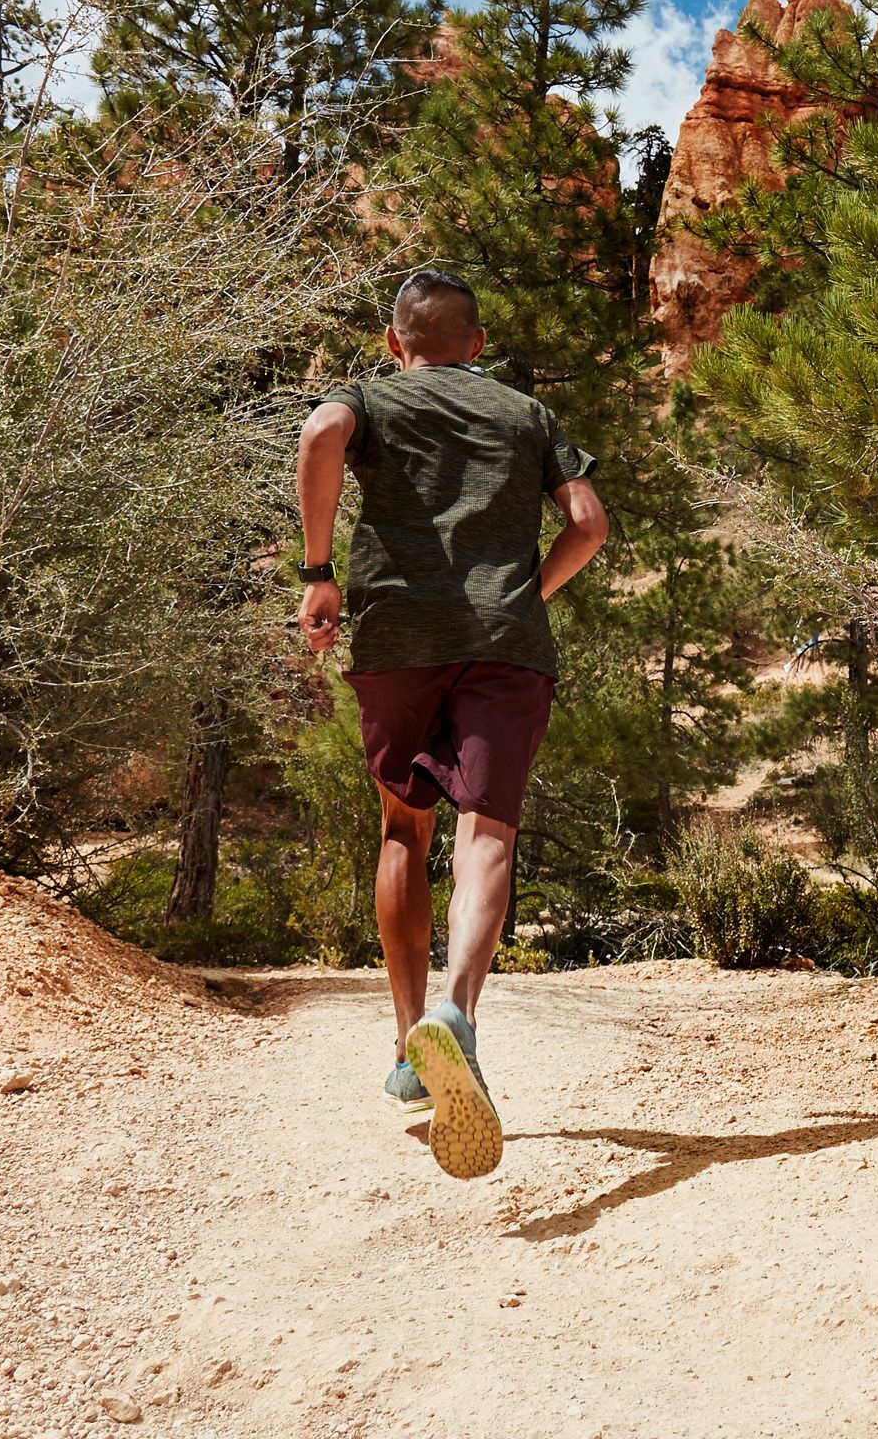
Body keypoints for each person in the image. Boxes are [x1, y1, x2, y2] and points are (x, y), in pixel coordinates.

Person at [294, 269, 609, 1178]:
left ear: (396, 344)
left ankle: (408, 1043)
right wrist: (522, 598)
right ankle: (457, 1014)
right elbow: (586, 524)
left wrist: (319, 572)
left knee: (406, 826)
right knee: (489, 829)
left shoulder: (370, 397)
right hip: (506, 643)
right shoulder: (526, 415)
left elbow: (320, 432)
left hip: (396, 633)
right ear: (477, 344)